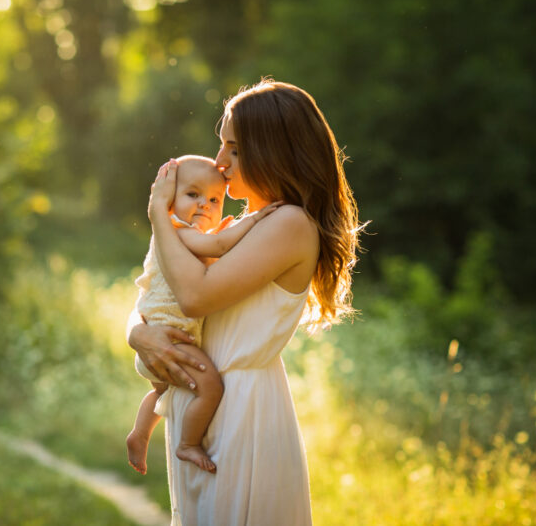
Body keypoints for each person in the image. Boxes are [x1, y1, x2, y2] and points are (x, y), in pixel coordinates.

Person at [127, 78, 362, 525]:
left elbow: (194, 297)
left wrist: (159, 213)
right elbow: (160, 290)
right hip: (201, 397)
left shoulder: (289, 224)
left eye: (233, 149)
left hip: (241, 410)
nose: (220, 162)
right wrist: (138, 332)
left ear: (274, 150)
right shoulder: (238, 224)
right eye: (221, 146)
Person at [126, 155, 280, 476]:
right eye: (192, 195)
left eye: (214, 199)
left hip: (159, 336)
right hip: (166, 338)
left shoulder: (187, 235)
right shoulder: (176, 230)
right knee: (211, 388)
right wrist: (252, 220)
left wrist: (223, 230)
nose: (204, 205)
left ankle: (139, 434)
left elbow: (215, 244)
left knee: (161, 390)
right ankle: (188, 444)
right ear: (168, 200)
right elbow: (220, 246)